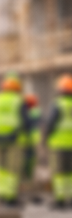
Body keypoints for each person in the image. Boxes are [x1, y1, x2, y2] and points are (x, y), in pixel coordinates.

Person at [45, 75, 72, 209]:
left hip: (59, 144)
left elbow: (50, 123)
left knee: (59, 173)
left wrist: (45, 137)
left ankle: (60, 200)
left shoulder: (58, 104)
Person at [0, 74, 31, 207]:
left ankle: (2, 195)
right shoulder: (19, 101)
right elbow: (25, 122)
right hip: (15, 140)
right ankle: (10, 198)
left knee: (2, 169)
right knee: (13, 170)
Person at [21, 89, 40, 191]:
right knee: (30, 167)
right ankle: (29, 186)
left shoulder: (31, 112)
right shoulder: (36, 112)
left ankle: (25, 186)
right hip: (31, 142)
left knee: (24, 166)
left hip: (25, 142)